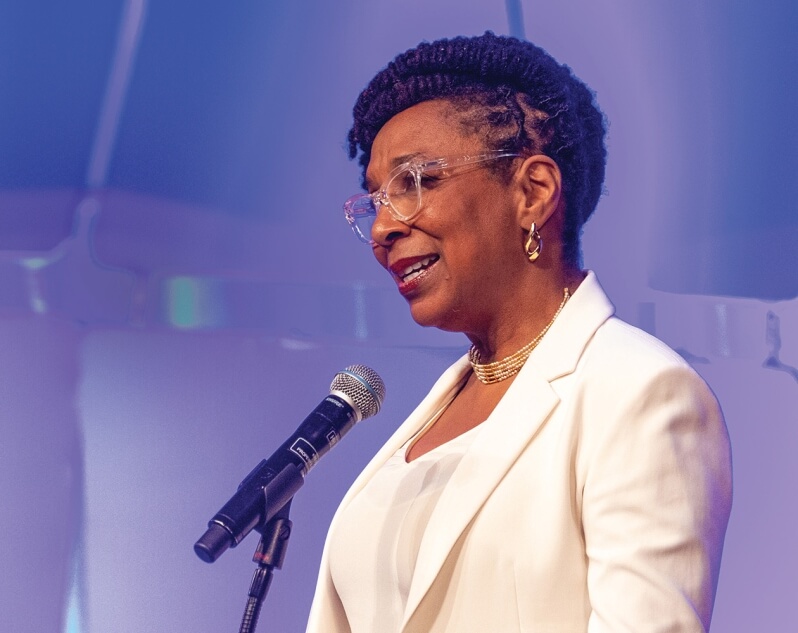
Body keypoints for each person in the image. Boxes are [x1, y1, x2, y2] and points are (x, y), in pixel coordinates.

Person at [306, 33, 732, 633]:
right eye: (375, 199)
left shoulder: (639, 393)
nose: (382, 228)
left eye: (414, 183)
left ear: (532, 191)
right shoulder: (430, 413)